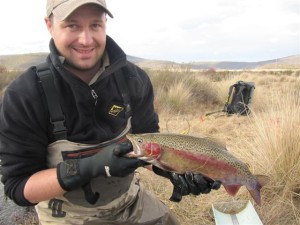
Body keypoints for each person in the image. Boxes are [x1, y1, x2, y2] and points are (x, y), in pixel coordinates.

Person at [0, 0, 221, 224]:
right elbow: (19, 187)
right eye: (72, 26)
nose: (86, 40)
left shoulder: (133, 79)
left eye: (95, 25)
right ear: (49, 25)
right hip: (69, 216)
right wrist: (92, 165)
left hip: (130, 202)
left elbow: (149, 141)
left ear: (105, 23)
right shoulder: (25, 95)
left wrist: (172, 168)